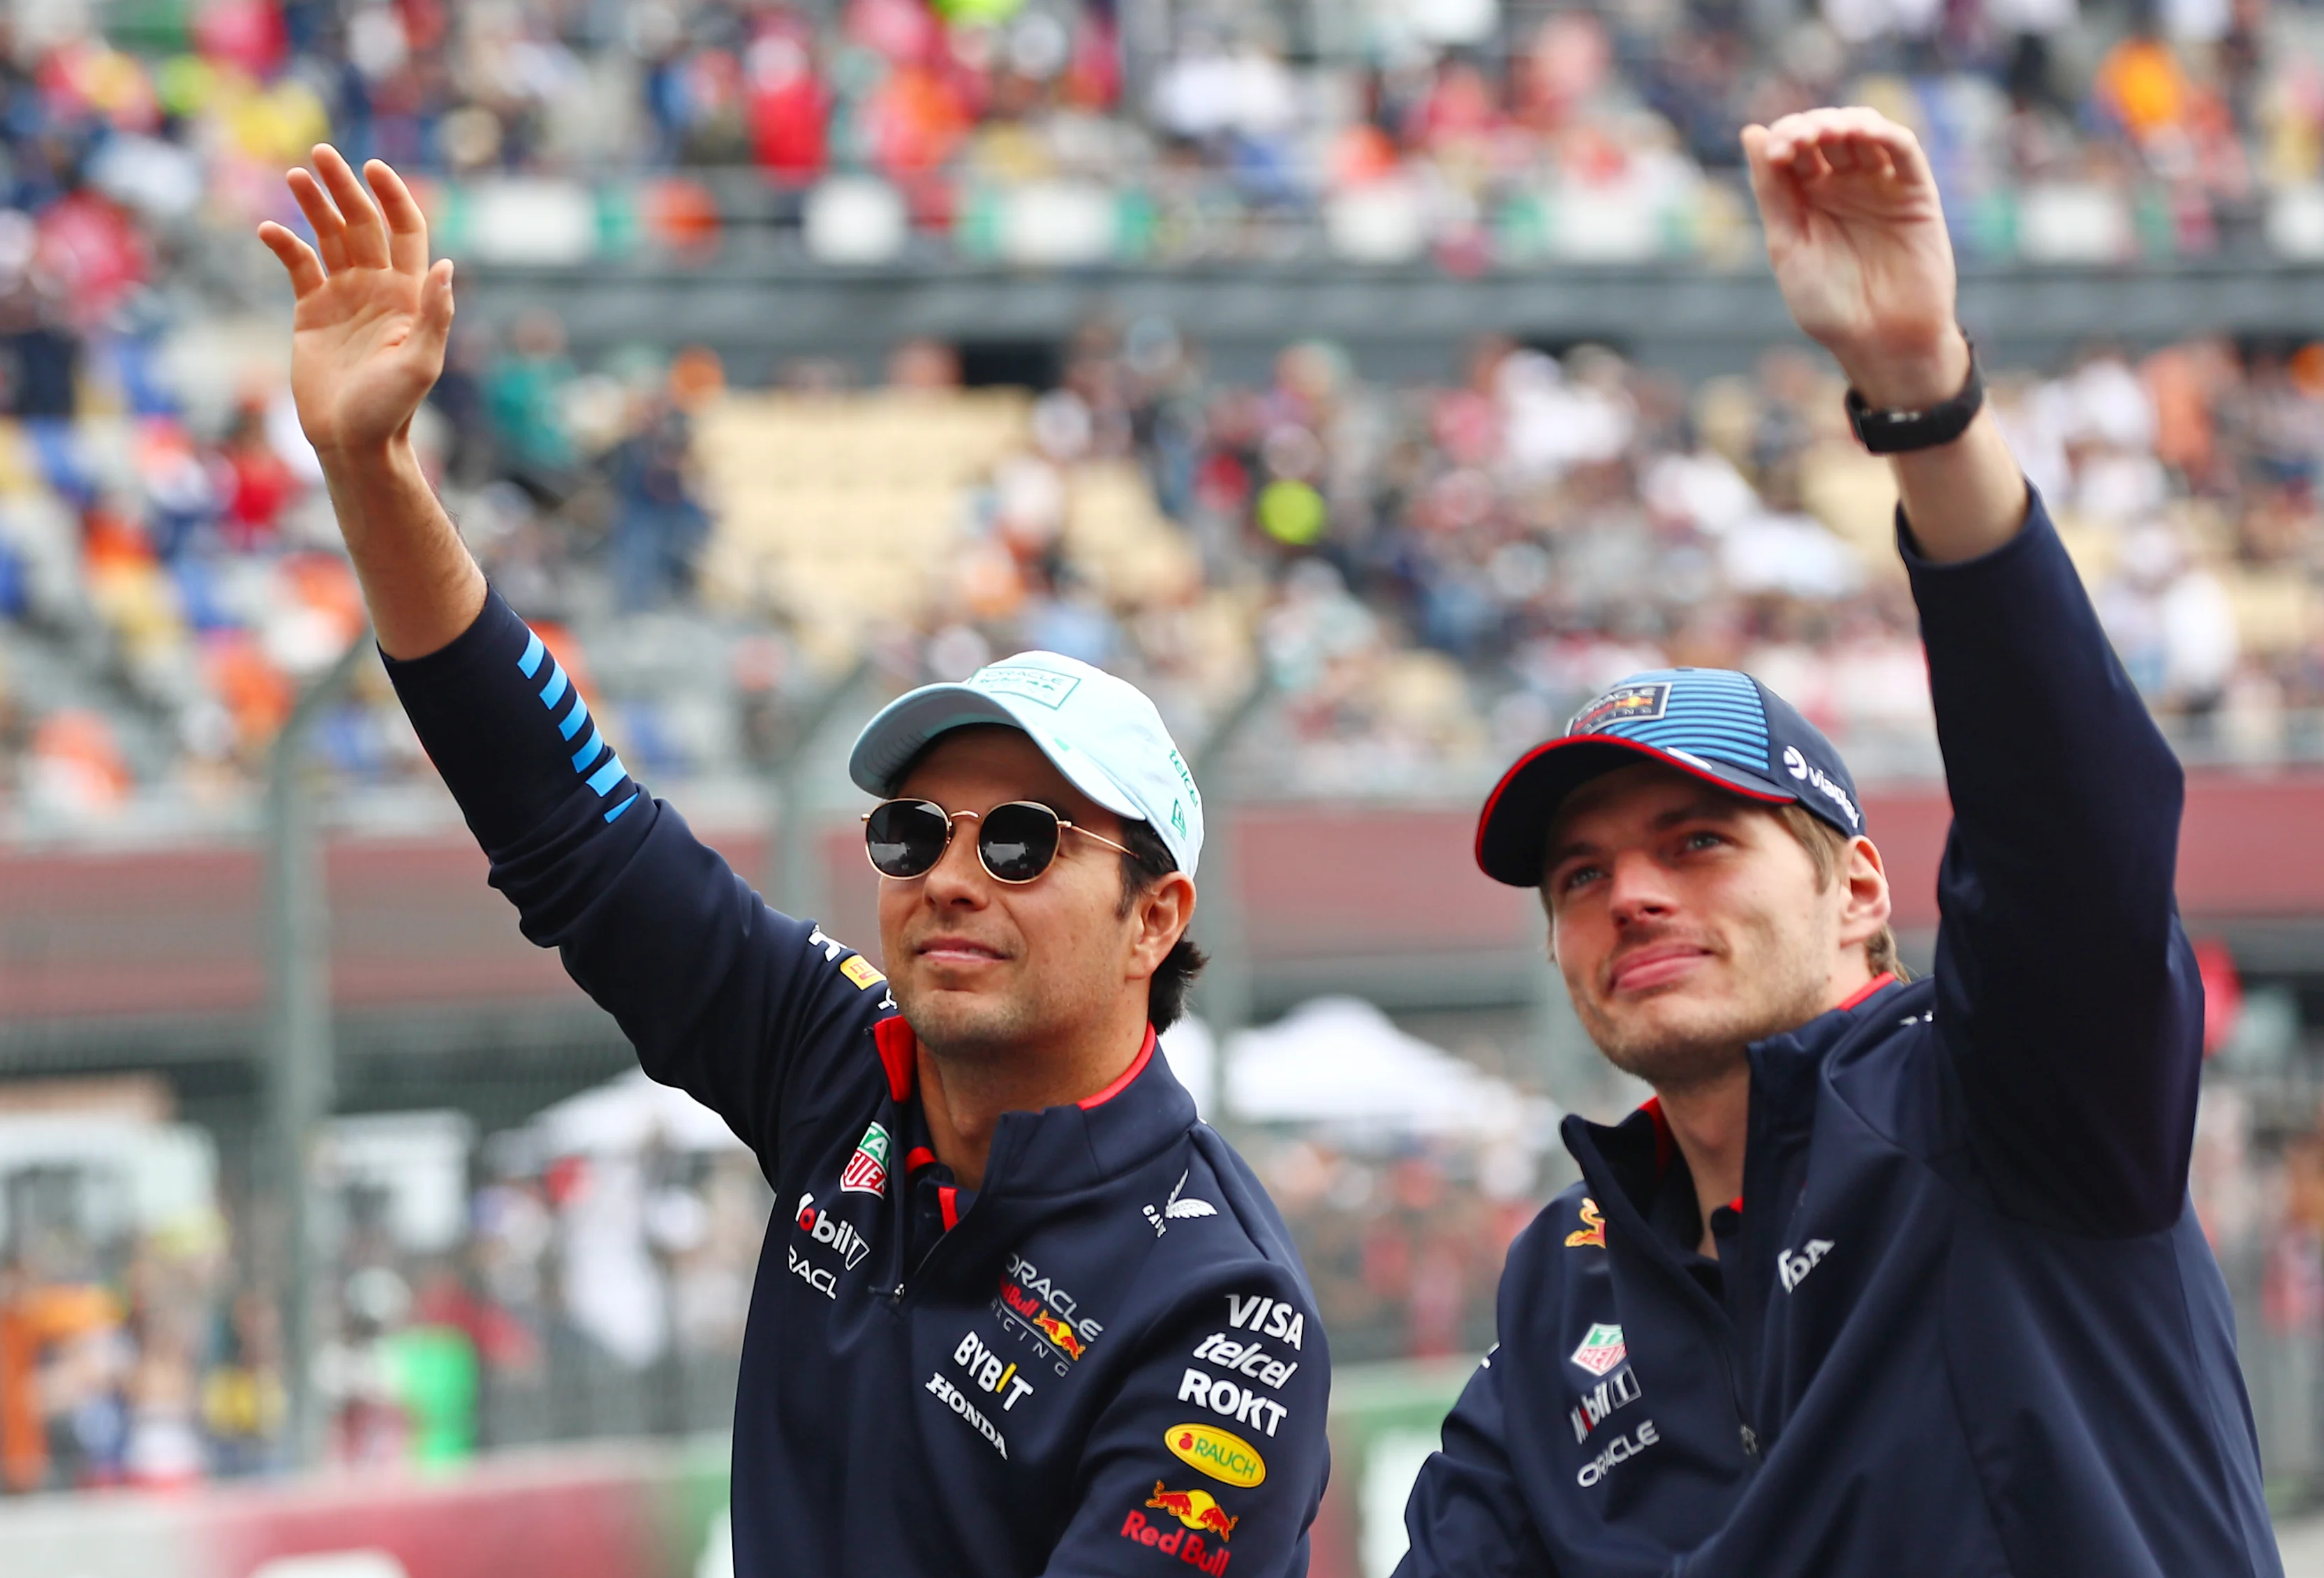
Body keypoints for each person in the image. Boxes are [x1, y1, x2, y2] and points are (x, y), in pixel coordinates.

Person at [256, 146, 1328, 1576]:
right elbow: (569, 820)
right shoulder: (850, 1062)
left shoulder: (1219, 1311)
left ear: (1154, 918)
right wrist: (373, 468)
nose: (949, 873)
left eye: (1021, 839)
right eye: (911, 828)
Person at [1391, 106, 2279, 1577]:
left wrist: (1922, 397)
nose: (1633, 895)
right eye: (1580, 874)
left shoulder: (2003, 1096)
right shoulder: (1564, 1278)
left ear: (1859, 885)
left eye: (1698, 838)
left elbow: (2076, 824)